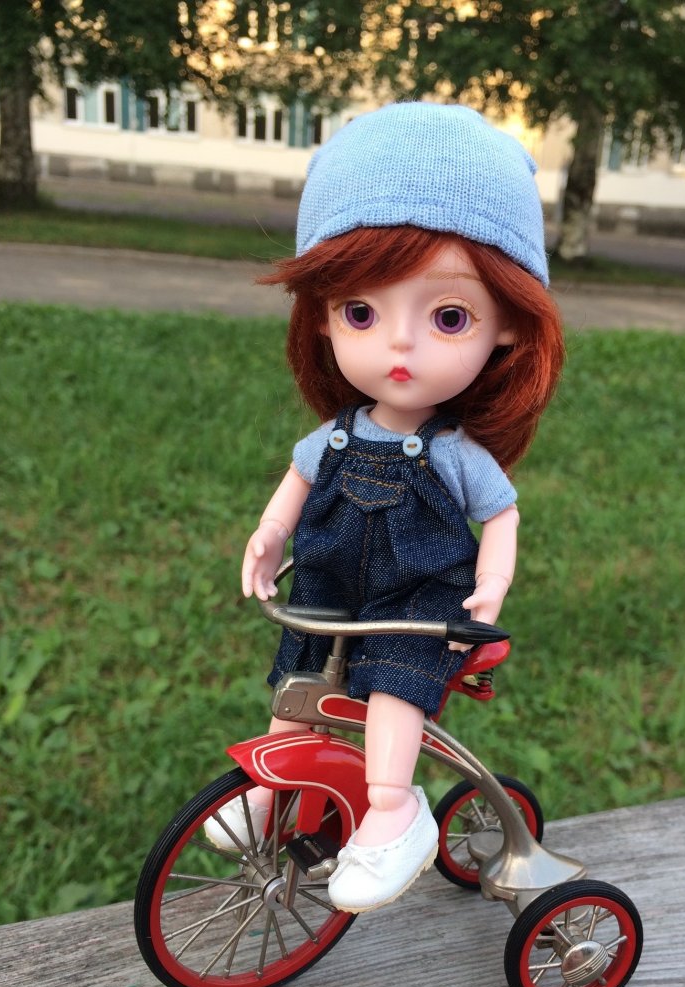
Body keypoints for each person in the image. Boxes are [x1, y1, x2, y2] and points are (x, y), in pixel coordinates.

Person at [207, 102, 564, 914]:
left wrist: (492, 583)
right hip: (333, 588)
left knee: (395, 688)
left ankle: (394, 810)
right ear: (322, 314)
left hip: (417, 605)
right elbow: (297, 483)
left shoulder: (452, 452)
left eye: (448, 317)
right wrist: (270, 533)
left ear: (508, 326)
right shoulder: (336, 434)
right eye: (361, 312)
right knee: (297, 677)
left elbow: (500, 514)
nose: (400, 345)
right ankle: (273, 785)